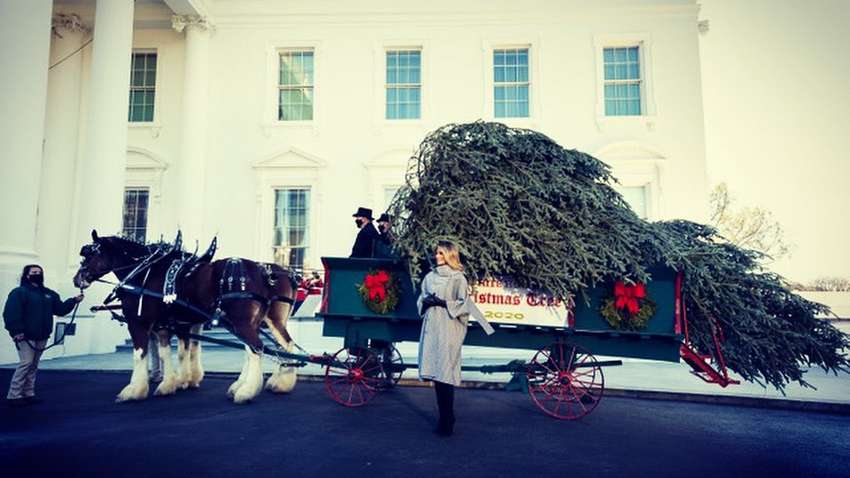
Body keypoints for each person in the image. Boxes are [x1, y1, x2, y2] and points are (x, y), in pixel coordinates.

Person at [3, 264, 83, 407]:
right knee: (26, 363)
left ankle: (28, 393)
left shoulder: (49, 294)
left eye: (39, 272)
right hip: (25, 336)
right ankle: (14, 395)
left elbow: (60, 309)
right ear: (27, 275)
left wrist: (73, 301)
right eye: (34, 272)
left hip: (42, 335)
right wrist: (16, 331)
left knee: (33, 365)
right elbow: (11, 313)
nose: (37, 274)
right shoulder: (19, 292)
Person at [417, 241, 470, 436]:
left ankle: (447, 418)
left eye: (440, 253)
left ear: (449, 255)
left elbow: (464, 305)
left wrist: (442, 301)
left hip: (449, 328)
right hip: (432, 326)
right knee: (437, 374)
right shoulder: (430, 277)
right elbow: (421, 298)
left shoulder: (458, 279)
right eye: (436, 253)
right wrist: (426, 302)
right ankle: (444, 416)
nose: (436, 256)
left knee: (445, 372)